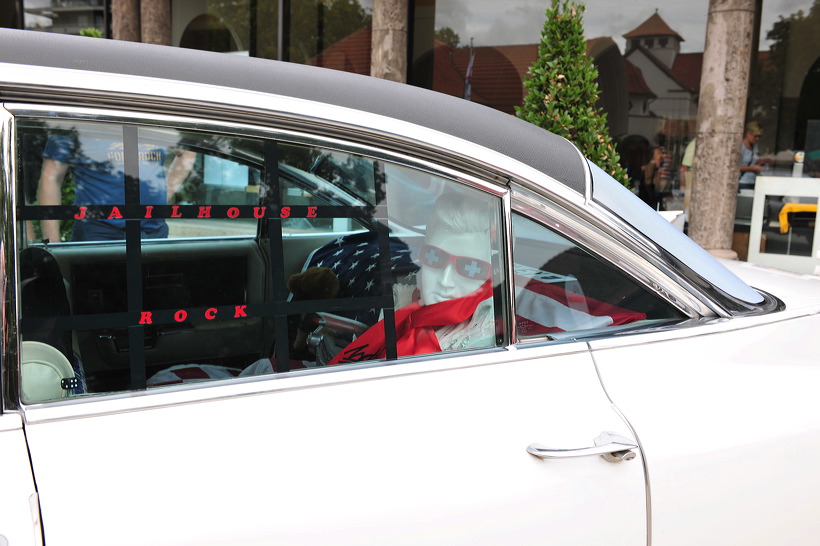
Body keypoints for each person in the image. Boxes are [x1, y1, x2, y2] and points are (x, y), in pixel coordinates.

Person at [37, 130, 195, 242]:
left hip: (152, 231)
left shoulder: (151, 115)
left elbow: (187, 152)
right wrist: (52, 245)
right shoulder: (76, 118)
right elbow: (51, 178)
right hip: (99, 233)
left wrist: (164, 193)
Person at [739, 121, 771, 190]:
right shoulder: (741, 146)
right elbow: (735, 167)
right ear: (748, 134)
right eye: (755, 136)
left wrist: (761, 162)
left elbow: (753, 161)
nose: (757, 139)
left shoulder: (755, 146)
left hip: (753, 181)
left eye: (759, 136)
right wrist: (753, 168)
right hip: (742, 182)